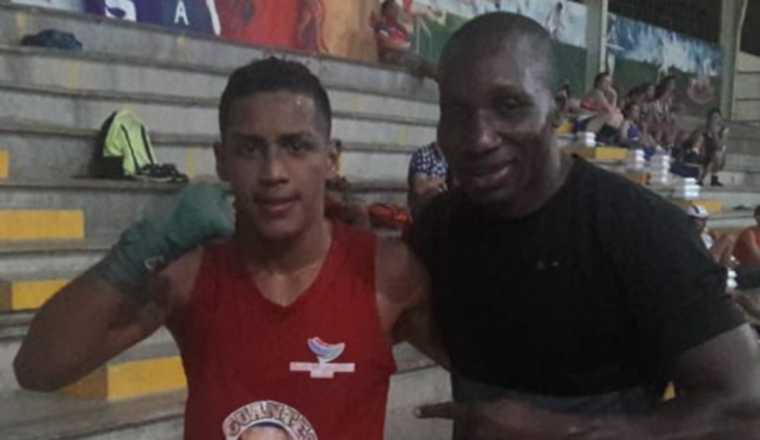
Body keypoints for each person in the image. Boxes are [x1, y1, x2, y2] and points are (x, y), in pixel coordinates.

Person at [13, 58, 439, 440]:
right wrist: (137, 251)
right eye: (250, 149)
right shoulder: (190, 272)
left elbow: (490, 373)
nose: (273, 172)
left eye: (296, 146)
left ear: (331, 159)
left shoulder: (384, 272)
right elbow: (39, 368)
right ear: (221, 160)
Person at [408, 12, 760, 439]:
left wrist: (563, 429)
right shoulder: (437, 230)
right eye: (457, 112)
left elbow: (744, 407)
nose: (479, 137)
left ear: (557, 107)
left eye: (510, 105)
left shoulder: (642, 230)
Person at [371, 0, 438, 81]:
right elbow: (386, 44)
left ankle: (438, 74)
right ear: (385, 11)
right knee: (417, 61)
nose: (396, 10)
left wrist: (405, 46)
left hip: (405, 55)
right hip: (390, 56)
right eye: (393, 7)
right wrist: (403, 46)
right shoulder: (383, 26)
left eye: (397, 7)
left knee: (421, 61)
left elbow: (409, 43)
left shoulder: (400, 28)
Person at [683, 108, 728, 187]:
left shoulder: (723, 130)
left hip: (718, 159)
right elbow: (692, 140)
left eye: (717, 117)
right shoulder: (703, 128)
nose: (715, 120)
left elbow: (719, 146)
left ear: (720, 118)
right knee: (701, 137)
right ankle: (712, 179)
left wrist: (714, 133)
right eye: (713, 118)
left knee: (716, 154)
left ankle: (702, 179)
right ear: (709, 119)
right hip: (702, 155)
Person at [577, 72, 624, 142]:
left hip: (591, 122)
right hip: (583, 124)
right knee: (612, 115)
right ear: (598, 82)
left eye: (610, 82)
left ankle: (603, 138)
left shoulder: (602, 94)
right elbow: (610, 111)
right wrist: (615, 96)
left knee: (618, 116)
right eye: (605, 81)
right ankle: (601, 139)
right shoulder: (596, 92)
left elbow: (610, 110)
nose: (608, 84)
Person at [407, 141, 449, 218]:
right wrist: (444, 179)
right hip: (424, 210)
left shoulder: (452, 155)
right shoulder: (424, 154)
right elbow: (419, 187)